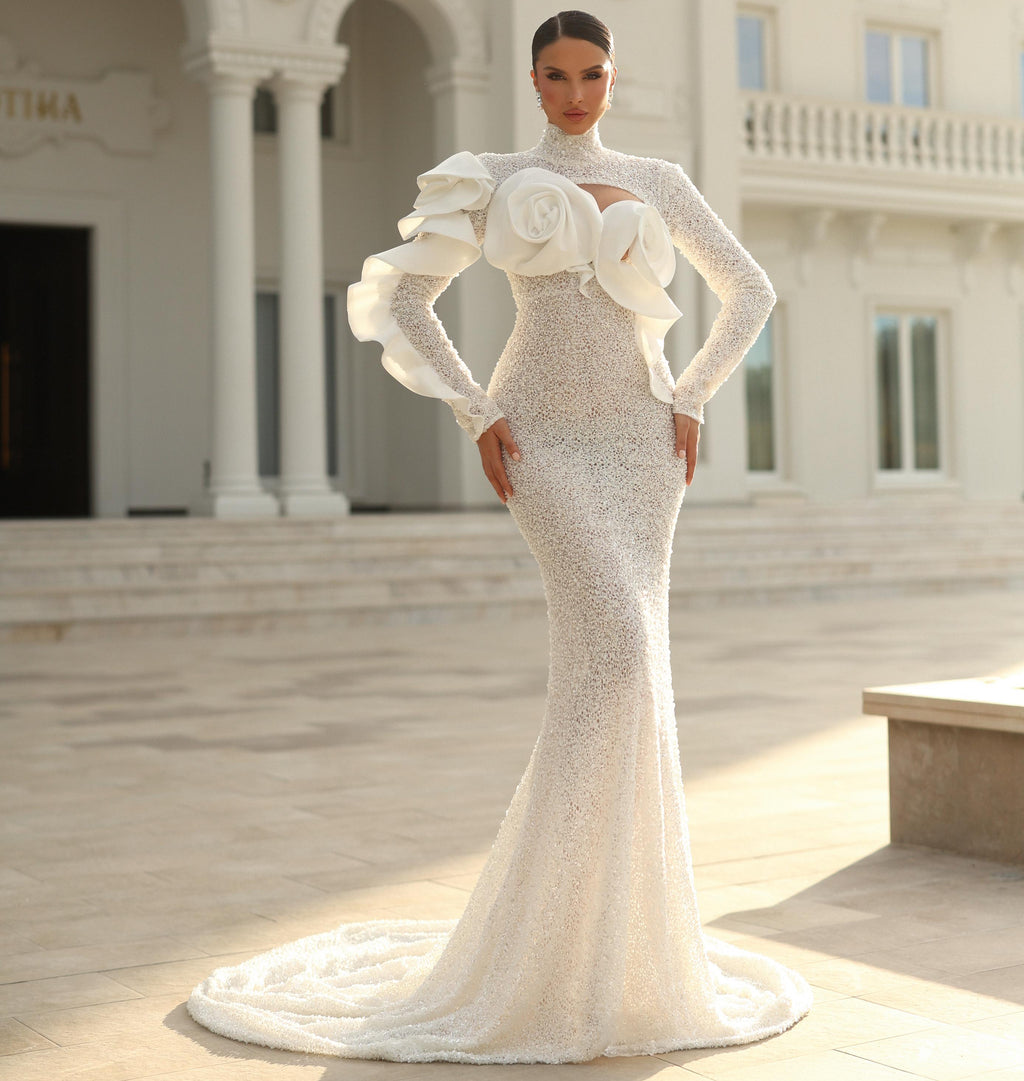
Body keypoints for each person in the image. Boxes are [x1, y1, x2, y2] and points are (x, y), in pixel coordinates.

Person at [186, 9, 813, 1063]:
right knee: (613, 656)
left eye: (593, 75)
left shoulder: (658, 178)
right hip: (543, 444)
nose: (576, 92)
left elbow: (751, 288)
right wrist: (480, 411)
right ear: (533, 83)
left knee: (629, 674)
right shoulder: (489, 174)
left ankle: (619, 948)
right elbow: (411, 297)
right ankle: (540, 950)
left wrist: (693, 394)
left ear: (613, 79)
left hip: (642, 447)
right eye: (557, 76)